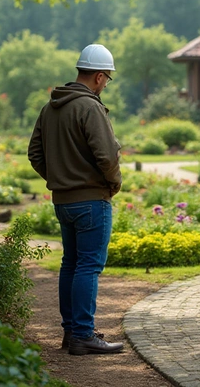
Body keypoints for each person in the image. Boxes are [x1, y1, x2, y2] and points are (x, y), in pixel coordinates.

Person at [28, 44, 123, 355]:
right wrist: (113, 182)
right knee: (88, 267)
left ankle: (72, 333)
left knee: (70, 264)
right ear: (98, 76)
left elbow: (35, 154)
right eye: (107, 79)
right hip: (92, 200)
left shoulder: (49, 107)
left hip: (63, 201)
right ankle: (83, 334)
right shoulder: (90, 108)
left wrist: (60, 179)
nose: (106, 85)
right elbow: (107, 156)